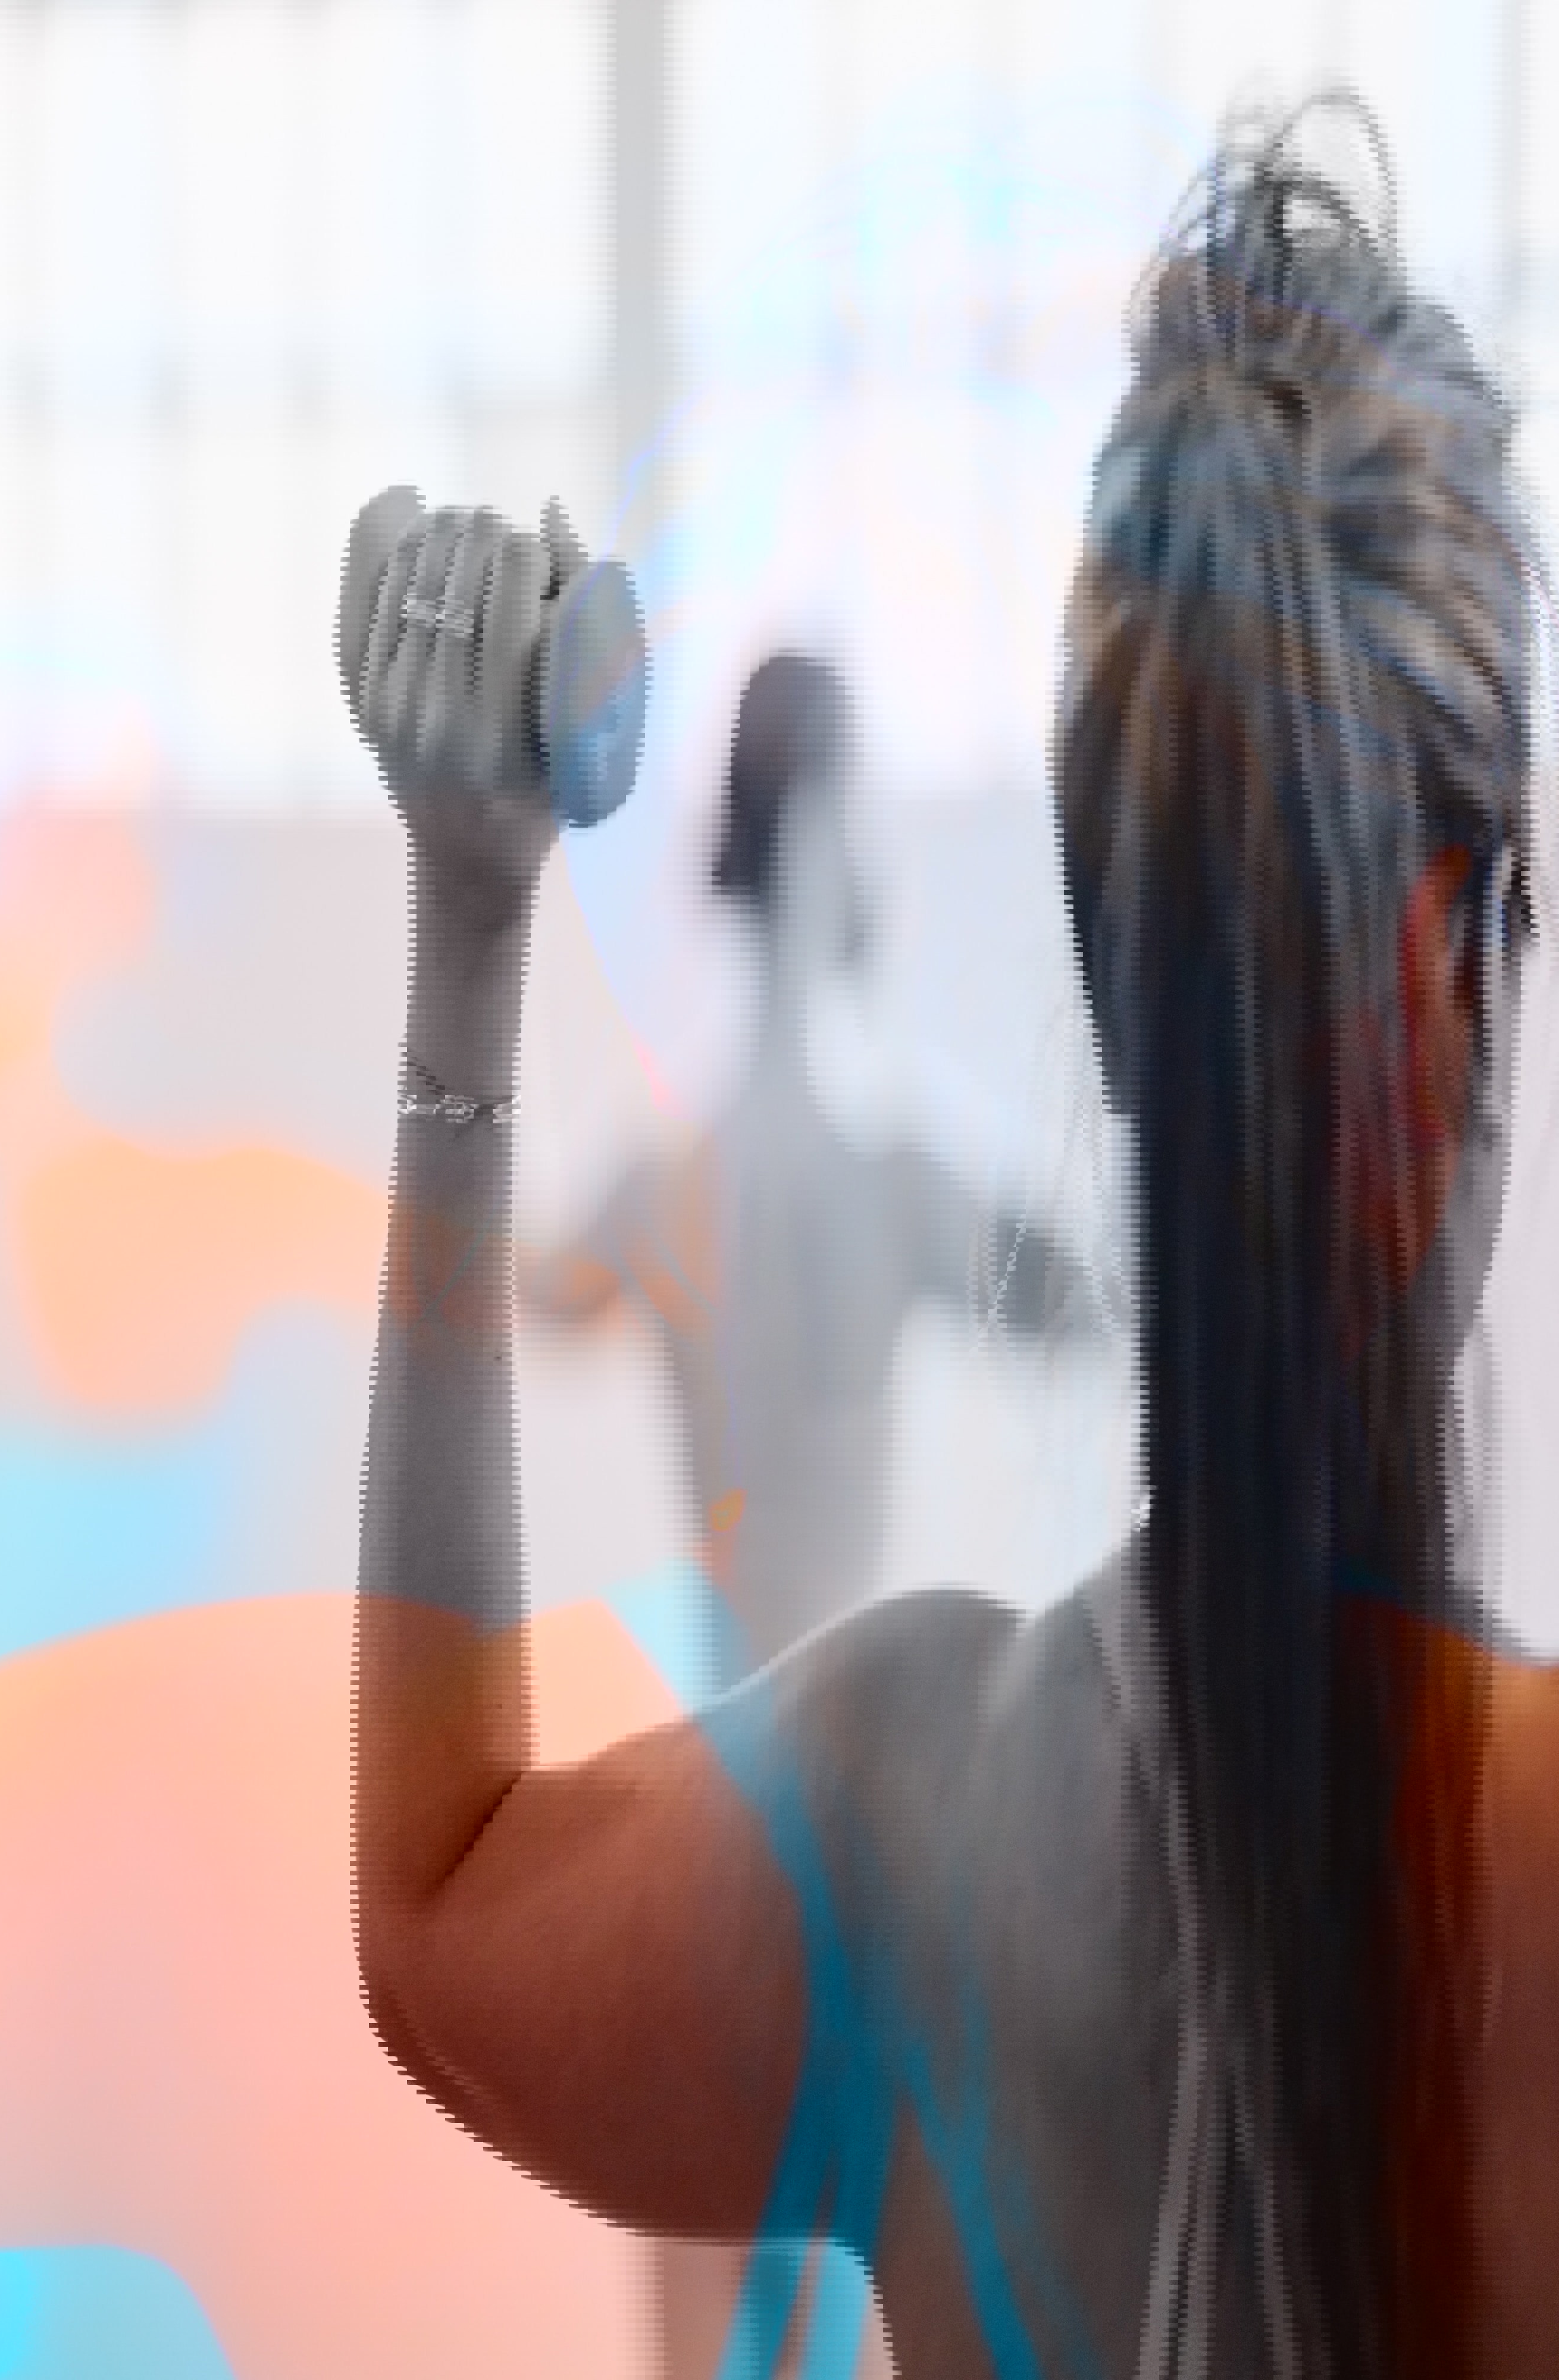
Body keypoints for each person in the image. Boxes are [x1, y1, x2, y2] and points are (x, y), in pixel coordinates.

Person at [351, 101, 1543, 2378]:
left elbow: (437, 1914)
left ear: (1106, 960)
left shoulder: (895, 1805)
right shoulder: (898, 1188)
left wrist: (473, 914)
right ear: (1466, 942)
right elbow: (1073, 1285)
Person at [528, 654, 1101, 2377]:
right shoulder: (904, 1173)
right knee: (835, 2317)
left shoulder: (663, 1180)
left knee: (715, 2324)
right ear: (831, 838)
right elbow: (1096, 1300)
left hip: (702, 1830)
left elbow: (535, 1293)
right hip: (862, 1843)